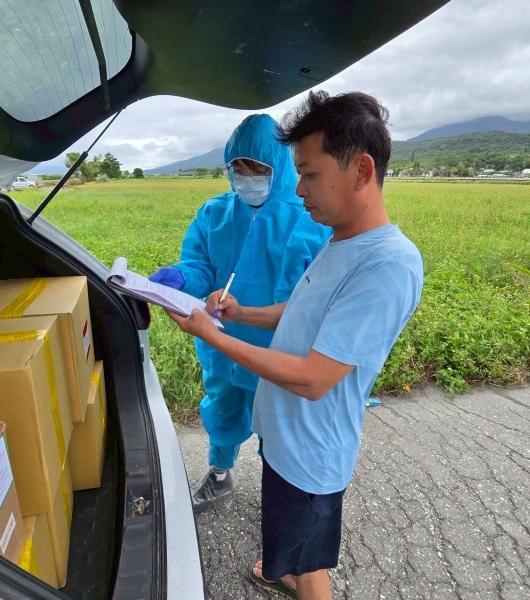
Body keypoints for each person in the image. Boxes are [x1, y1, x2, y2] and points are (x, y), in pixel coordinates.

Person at [163, 91, 424, 600]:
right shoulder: (342, 240)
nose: (299, 187)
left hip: (310, 451)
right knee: (291, 542)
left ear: (361, 170)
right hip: (287, 441)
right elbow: (302, 309)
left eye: (307, 173)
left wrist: (213, 333)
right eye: (297, 173)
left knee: (311, 571)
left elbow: (313, 377)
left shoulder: (386, 264)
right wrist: (240, 314)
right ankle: (279, 566)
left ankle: (295, 573)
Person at [149, 113, 330, 512]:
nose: (247, 177)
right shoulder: (215, 213)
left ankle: (281, 492)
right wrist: (181, 276)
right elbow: (201, 265)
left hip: (278, 349)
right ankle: (219, 473)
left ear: (278, 167)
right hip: (223, 344)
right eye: (238, 168)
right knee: (223, 408)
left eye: (258, 168)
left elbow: (317, 298)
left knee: (278, 425)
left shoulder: (310, 219)